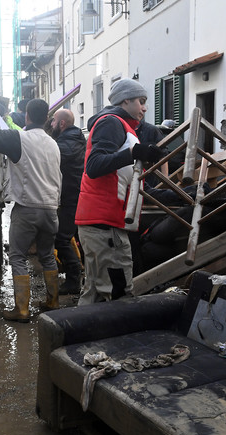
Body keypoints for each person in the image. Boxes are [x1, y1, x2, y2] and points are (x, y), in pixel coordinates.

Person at [75, 78, 165, 305]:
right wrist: (134, 153)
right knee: (117, 295)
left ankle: (79, 338)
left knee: (94, 292)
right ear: (125, 100)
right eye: (141, 101)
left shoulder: (123, 127)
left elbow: (124, 179)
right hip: (105, 225)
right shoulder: (111, 123)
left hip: (101, 223)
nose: (145, 108)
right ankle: (111, 341)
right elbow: (94, 166)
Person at [0, 99, 62, 322]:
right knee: (48, 256)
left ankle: (22, 310)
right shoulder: (53, 143)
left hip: (27, 209)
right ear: (46, 118)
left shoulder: (19, 139)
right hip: (51, 209)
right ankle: (53, 302)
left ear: (27, 116)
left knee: (18, 257)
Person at [50, 108, 86, 295]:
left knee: (61, 239)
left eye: (54, 121)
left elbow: (53, 157)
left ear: (62, 124)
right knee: (76, 238)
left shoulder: (67, 144)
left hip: (73, 197)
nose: (51, 125)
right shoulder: (72, 138)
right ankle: (82, 277)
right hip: (74, 195)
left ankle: (74, 281)